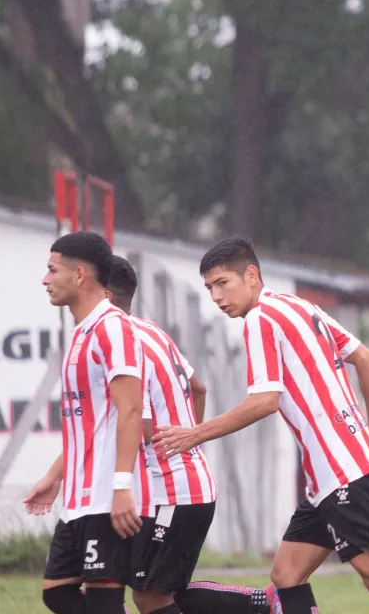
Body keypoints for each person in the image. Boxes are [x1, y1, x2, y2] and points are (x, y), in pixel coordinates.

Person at [154, 237, 369, 614]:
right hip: (330, 475)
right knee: (286, 576)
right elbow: (365, 357)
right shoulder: (298, 305)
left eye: (222, 284)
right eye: (209, 288)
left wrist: (195, 433)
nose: (216, 297)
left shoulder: (260, 319)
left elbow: (265, 401)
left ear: (251, 275)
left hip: (341, 472)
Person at [104, 256, 273, 614]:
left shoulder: (125, 343)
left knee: (152, 596)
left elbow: (142, 427)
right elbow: (198, 389)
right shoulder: (150, 331)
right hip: (179, 486)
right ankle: (263, 604)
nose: (47, 281)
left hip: (171, 492)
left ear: (98, 292)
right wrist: (186, 441)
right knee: (155, 590)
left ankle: (266, 605)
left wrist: (174, 447)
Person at [25, 231, 144, 614]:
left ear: (79, 275)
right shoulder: (80, 333)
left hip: (105, 497)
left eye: (51, 269)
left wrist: (122, 486)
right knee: (57, 593)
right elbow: (89, 424)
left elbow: (130, 410)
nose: (45, 279)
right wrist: (55, 476)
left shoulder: (113, 327)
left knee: (103, 603)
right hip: (78, 498)